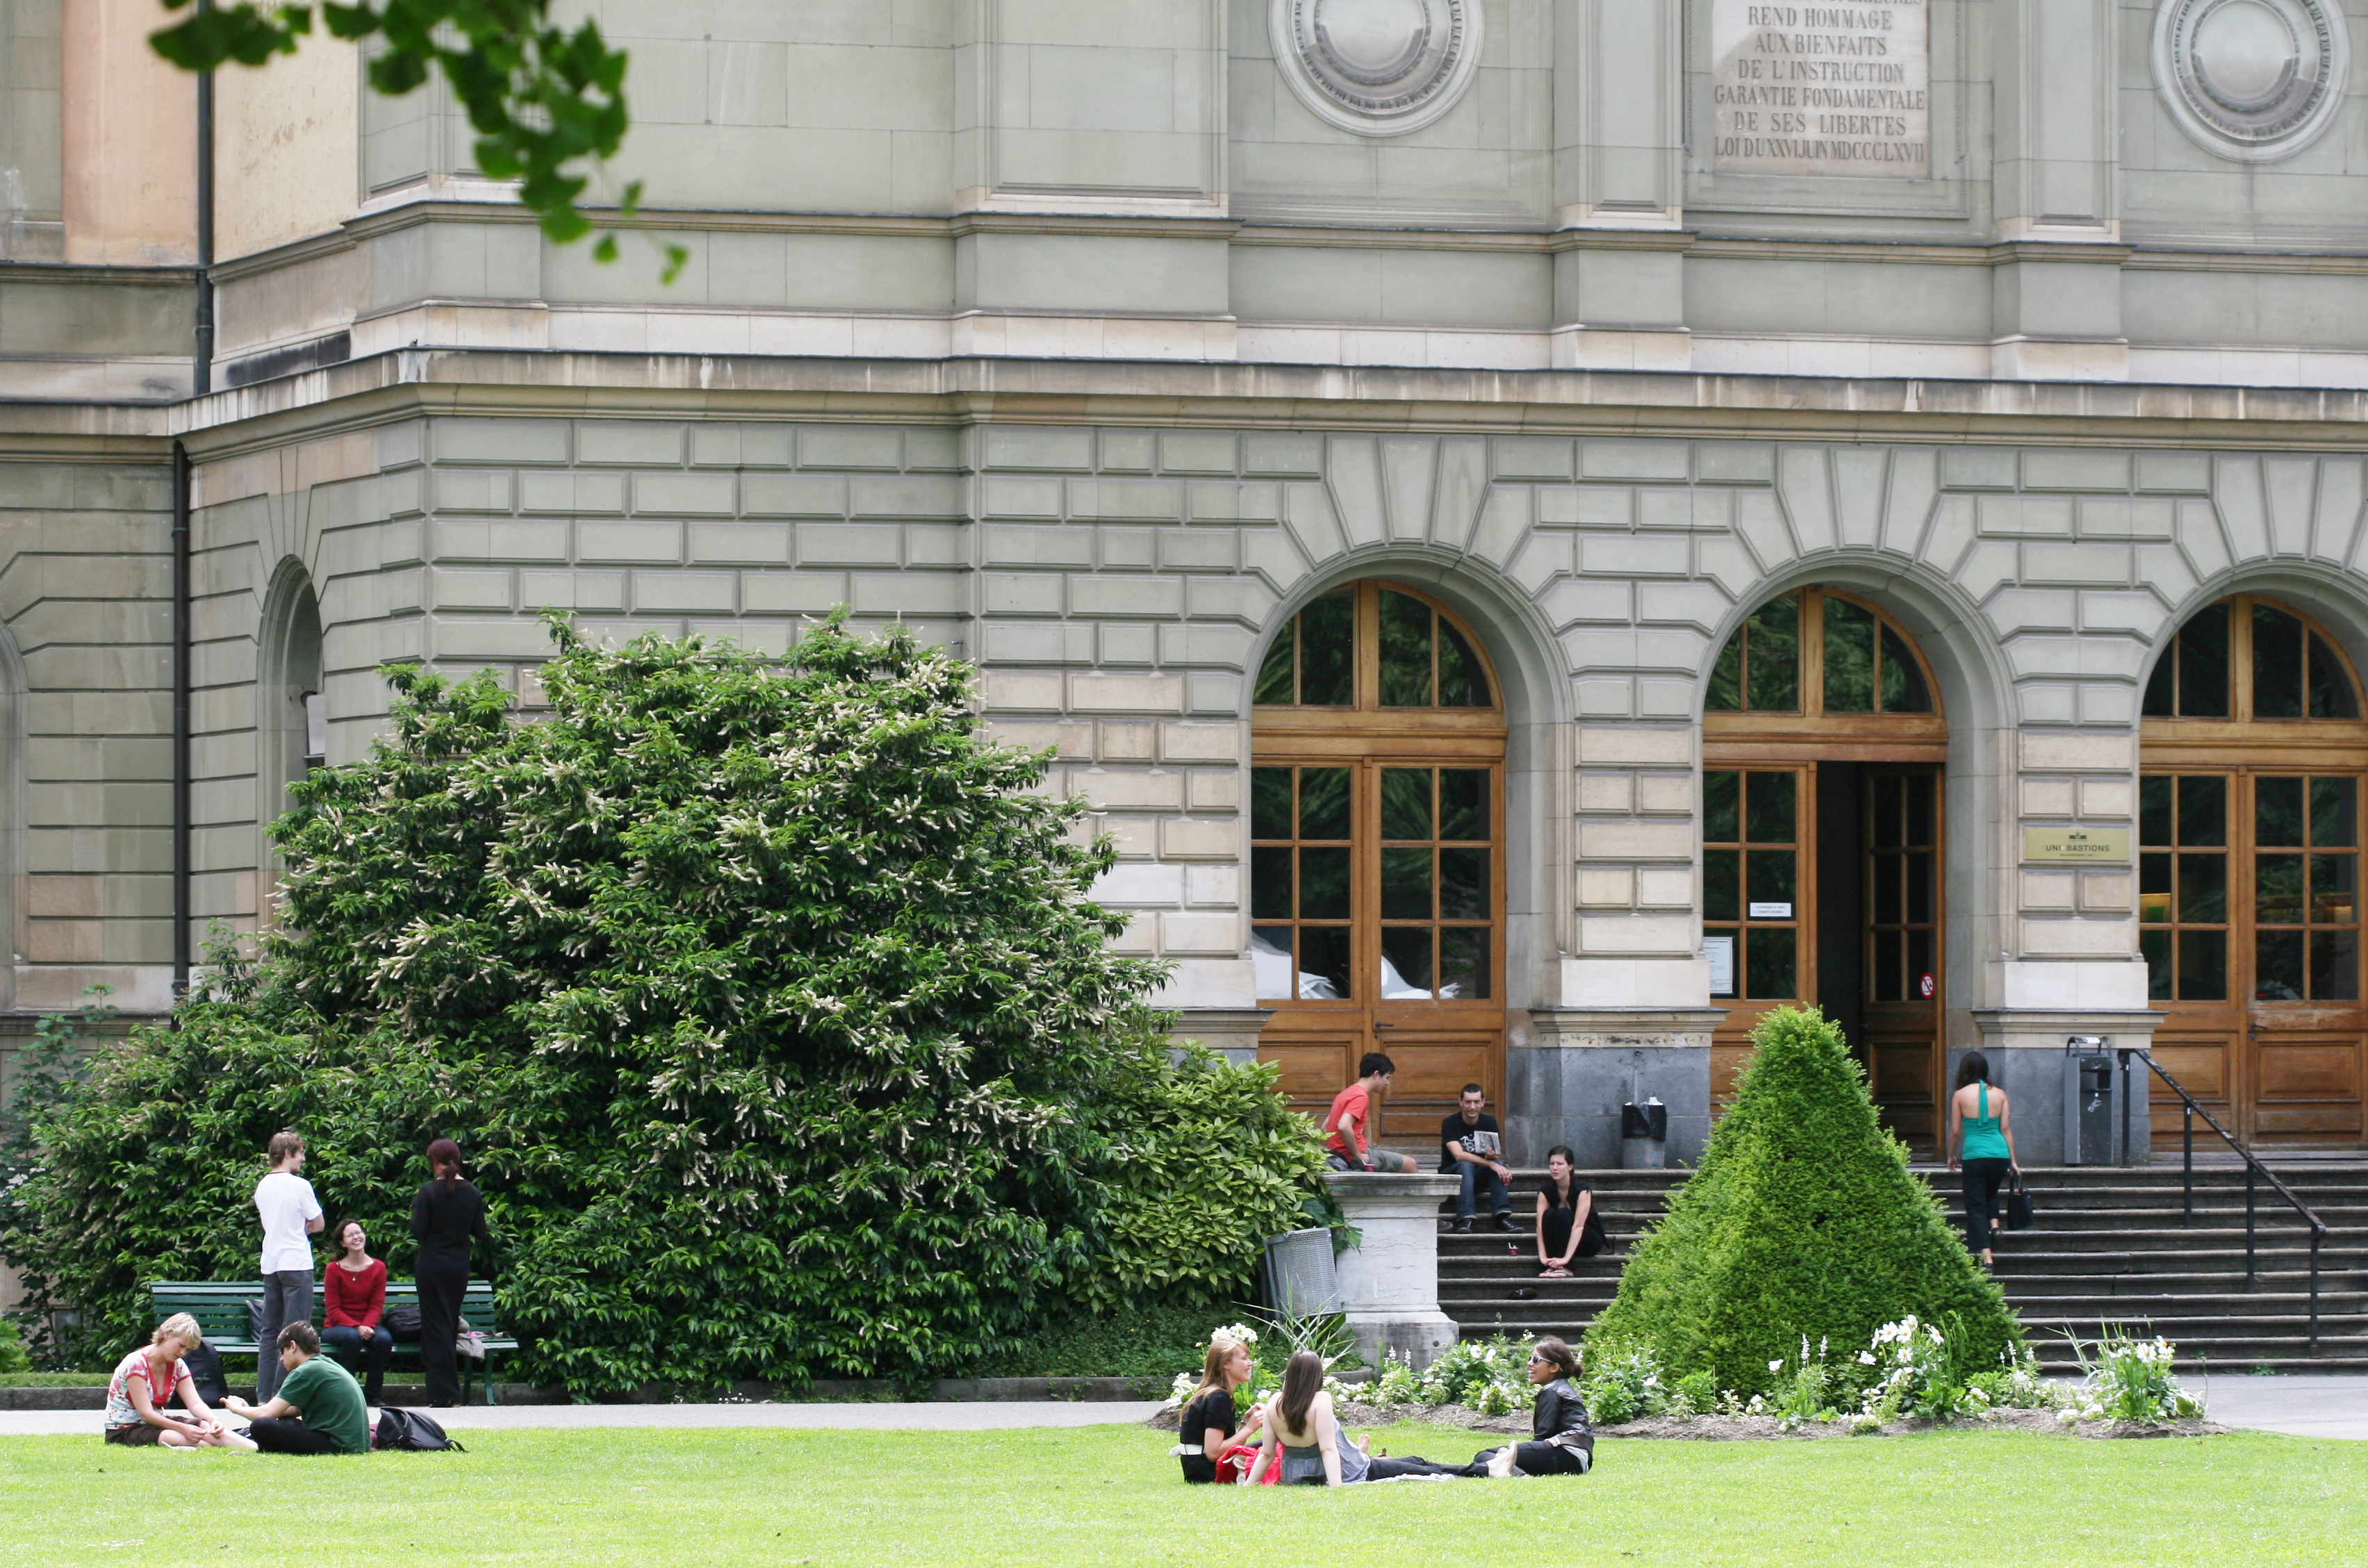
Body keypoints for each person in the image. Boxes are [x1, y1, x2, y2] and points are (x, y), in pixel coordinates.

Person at [1248, 1351, 1458, 1485]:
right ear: (1316, 1376)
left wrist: (1248, 1487)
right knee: (1419, 1466)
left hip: (1294, 1476)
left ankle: (1480, 1468)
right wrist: (1337, 1487)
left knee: (1413, 1462)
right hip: (1350, 1471)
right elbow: (1328, 1449)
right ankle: (1479, 1470)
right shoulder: (1321, 1400)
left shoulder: (1275, 1402)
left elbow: (1266, 1454)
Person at [411, 1136, 490, 1408]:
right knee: (447, 1323)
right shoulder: (472, 1193)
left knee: (436, 1327)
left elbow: (418, 1231)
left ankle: (443, 1394)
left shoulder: (428, 1193)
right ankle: (446, 1392)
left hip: (432, 1265)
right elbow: (481, 1232)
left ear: (435, 1161)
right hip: (458, 1266)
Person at [103, 1313, 255, 1449]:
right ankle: (229, 1449)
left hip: (155, 1423)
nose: (183, 1353)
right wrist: (182, 1428)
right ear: (166, 1335)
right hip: (125, 1430)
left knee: (203, 1425)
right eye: (181, 1346)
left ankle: (255, 1449)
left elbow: (195, 1403)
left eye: (188, 1350)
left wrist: (214, 1420)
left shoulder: (178, 1365)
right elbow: (147, 1414)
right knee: (182, 1438)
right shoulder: (136, 1364)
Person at [223, 1323, 371, 1455]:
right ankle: (266, 1451)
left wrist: (237, 1408)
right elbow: (292, 1410)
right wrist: (250, 1409)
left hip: (339, 1446)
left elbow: (266, 1414)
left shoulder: (305, 1371)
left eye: (283, 1351)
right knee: (286, 1421)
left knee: (261, 1426)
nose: (281, 1359)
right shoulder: (324, 1364)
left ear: (293, 1346)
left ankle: (263, 1452)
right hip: (354, 1444)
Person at [252, 1130, 324, 1402]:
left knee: (270, 1331)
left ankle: (263, 1397)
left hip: (271, 1263)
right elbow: (318, 1223)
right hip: (296, 1261)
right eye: (300, 1153)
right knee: (296, 1332)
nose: (303, 1159)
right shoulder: (299, 1185)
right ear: (287, 1154)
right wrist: (300, 1229)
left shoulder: (263, 1186)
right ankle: (284, 1396)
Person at [1461, 1338, 1594, 1478]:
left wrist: (1528, 1456)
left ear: (1554, 1368)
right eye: (1530, 1358)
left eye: (1536, 1360)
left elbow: (1543, 1437)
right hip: (1578, 1459)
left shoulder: (1551, 1391)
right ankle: (1512, 1472)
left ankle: (1519, 1476)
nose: (1529, 1363)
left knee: (1486, 1455)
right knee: (1499, 1459)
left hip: (1565, 1453)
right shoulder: (1563, 1388)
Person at [1948, 1050, 2020, 1266]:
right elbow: (2006, 1129)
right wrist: (2014, 1161)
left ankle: (1987, 1256)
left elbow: (1955, 1131)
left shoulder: (1960, 1095)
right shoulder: (2000, 1094)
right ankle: (1995, 1226)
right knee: (1990, 1194)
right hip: (2000, 1154)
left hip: (1975, 1155)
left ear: (1964, 1071)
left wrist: (1951, 1155)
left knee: (1975, 1204)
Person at [1172, 1332, 1267, 1484]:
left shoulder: (1215, 1394)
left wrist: (1244, 1423)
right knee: (1274, 1445)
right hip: (1208, 1474)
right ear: (1226, 1364)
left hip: (1199, 1471)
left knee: (1268, 1444)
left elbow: (1224, 1447)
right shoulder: (1218, 1397)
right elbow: (1214, 1452)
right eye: (1244, 1358)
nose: (1250, 1363)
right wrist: (1250, 1428)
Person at [322, 1219, 393, 1403]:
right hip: (338, 1326)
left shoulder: (378, 1267)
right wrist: (357, 1327)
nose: (356, 1237)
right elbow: (333, 1309)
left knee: (384, 1339)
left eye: (359, 1232)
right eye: (350, 1235)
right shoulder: (333, 1269)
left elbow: (376, 1304)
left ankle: (373, 1395)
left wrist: (367, 1326)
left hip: (368, 1324)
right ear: (342, 1243)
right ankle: (347, 1395)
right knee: (351, 1338)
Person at [1323, 1053, 1420, 1173]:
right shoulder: (1360, 1096)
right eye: (1387, 1077)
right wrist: (1358, 1155)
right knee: (1410, 1164)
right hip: (1354, 1155)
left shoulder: (1345, 1094)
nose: (1387, 1083)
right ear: (1376, 1075)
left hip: (1338, 1154)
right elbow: (1344, 1125)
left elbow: (1325, 1127)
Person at [1440, 1082, 1515, 1232]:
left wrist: (1492, 1158)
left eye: (1476, 1102)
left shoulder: (1490, 1122)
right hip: (1453, 1176)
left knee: (1499, 1164)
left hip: (1476, 1178)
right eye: (1468, 1102)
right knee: (1466, 1165)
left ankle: (1501, 1217)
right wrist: (1491, 1164)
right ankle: (1466, 1218)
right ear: (1461, 1102)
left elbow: (1495, 1155)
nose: (1472, 1107)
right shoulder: (1450, 1123)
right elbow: (1459, 1155)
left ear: (1483, 1103)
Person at [1536, 1145, 1604, 1278]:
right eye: (1552, 1164)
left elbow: (1578, 1226)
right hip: (1562, 1241)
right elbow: (1540, 1226)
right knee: (1549, 1214)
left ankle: (1566, 1268)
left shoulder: (1582, 1190)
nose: (1555, 1168)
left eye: (1560, 1164)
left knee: (1563, 1214)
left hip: (1587, 1240)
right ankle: (1552, 1264)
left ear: (1570, 1167)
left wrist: (1565, 1260)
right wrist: (1543, 1257)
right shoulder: (1546, 1190)